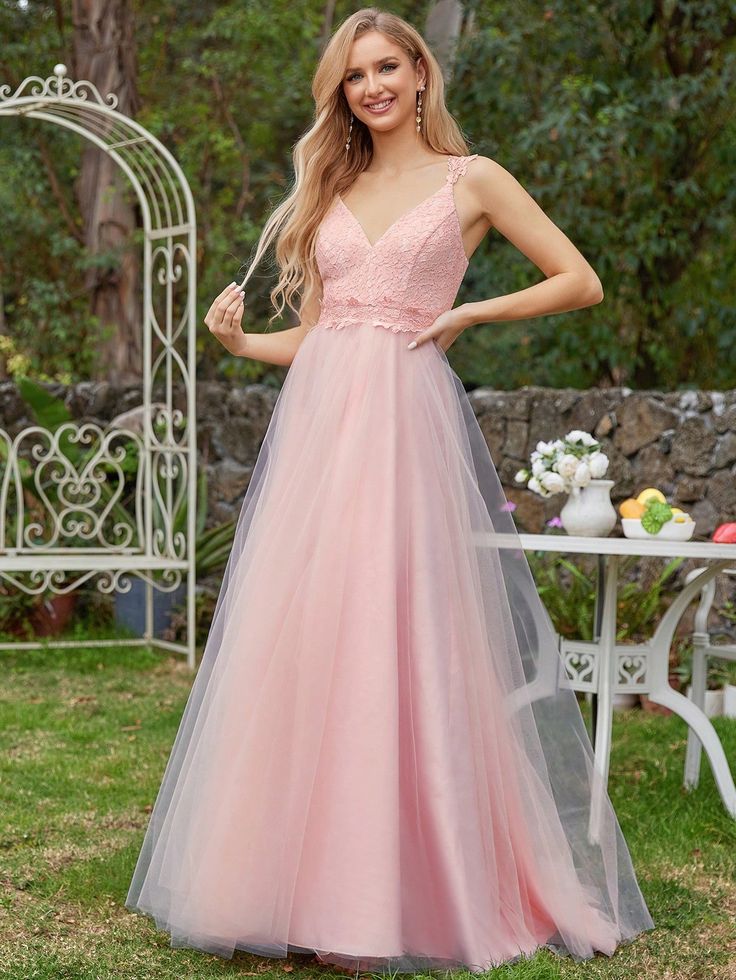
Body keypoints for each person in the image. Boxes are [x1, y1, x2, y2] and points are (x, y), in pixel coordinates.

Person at [125, 6, 655, 974]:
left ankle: (383, 893)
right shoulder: (333, 181)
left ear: (418, 72)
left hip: (405, 427)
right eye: (352, 76)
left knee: (395, 634)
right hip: (321, 434)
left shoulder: (472, 179)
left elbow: (578, 279)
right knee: (311, 641)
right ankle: (284, 884)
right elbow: (324, 333)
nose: (368, 87)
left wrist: (466, 310)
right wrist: (242, 342)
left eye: (383, 68)